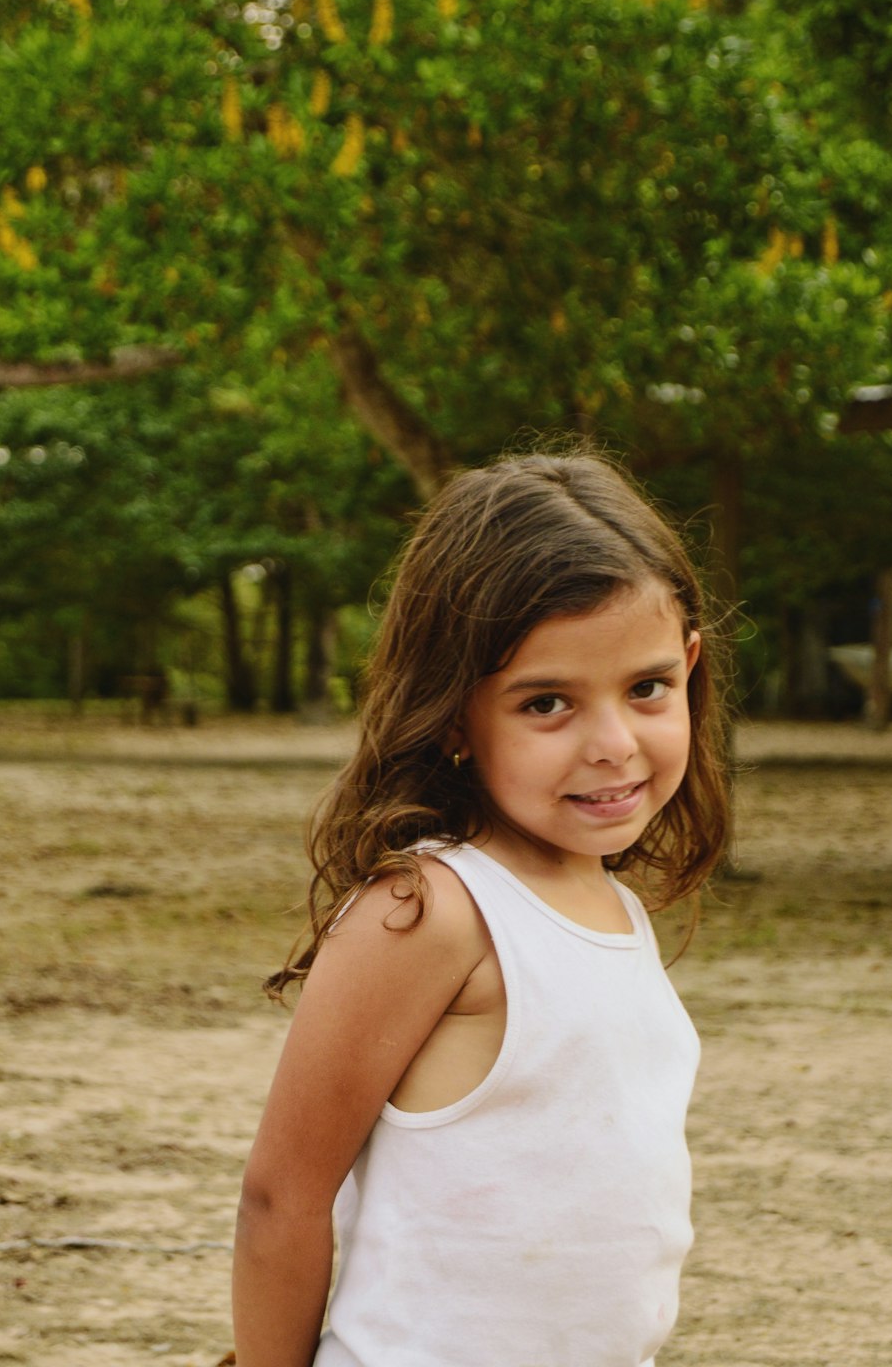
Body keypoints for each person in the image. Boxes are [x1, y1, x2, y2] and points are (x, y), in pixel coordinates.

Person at [232, 450, 731, 1367]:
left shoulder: (611, 902)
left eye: (648, 688)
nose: (614, 744)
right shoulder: (429, 912)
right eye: (548, 702)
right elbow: (283, 1197)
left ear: (691, 667)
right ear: (455, 714)